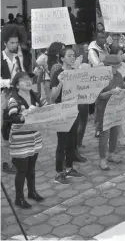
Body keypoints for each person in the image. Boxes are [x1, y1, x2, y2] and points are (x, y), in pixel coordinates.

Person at [5, 72, 46, 208]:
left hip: (34, 137)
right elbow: (13, 117)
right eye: (23, 80)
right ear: (17, 85)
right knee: (22, 170)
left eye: (29, 79)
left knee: (32, 168)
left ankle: (32, 192)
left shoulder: (37, 96)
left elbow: (48, 109)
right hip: (20, 140)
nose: (28, 82)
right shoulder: (13, 99)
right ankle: (19, 198)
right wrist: (25, 115)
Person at [1, 24, 32, 175]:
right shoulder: (1, 58)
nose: (15, 45)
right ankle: (6, 163)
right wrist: (9, 82)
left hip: (14, 97)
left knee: (13, 128)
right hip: (2, 98)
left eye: (16, 42)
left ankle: (14, 158)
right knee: (4, 130)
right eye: (12, 42)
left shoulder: (18, 59)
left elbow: (22, 75)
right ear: (5, 42)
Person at [50, 47, 84, 185]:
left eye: (73, 55)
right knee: (62, 143)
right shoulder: (58, 73)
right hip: (61, 112)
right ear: (62, 58)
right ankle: (59, 173)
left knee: (72, 142)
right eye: (69, 55)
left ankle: (69, 169)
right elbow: (53, 97)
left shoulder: (75, 72)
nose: (72, 57)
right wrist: (61, 83)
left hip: (74, 110)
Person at [96, 55, 124, 171]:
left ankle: (111, 154)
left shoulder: (118, 75)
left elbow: (123, 89)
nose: (116, 69)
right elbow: (97, 96)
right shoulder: (100, 77)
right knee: (104, 134)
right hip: (103, 109)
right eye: (114, 67)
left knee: (115, 132)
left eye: (117, 66)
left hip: (116, 108)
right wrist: (110, 92)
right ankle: (102, 159)